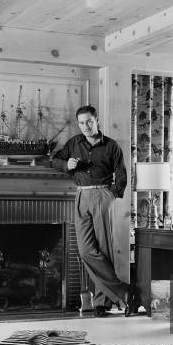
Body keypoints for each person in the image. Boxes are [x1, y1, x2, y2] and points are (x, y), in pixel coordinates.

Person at [52, 105, 130, 316]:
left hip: (102, 196)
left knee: (104, 249)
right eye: (81, 123)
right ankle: (123, 292)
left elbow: (121, 176)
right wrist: (65, 165)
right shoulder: (73, 143)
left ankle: (101, 303)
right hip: (80, 196)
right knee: (86, 250)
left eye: (89, 121)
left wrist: (110, 195)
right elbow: (54, 160)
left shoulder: (111, 146)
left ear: (97, 121)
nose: (85, 126)